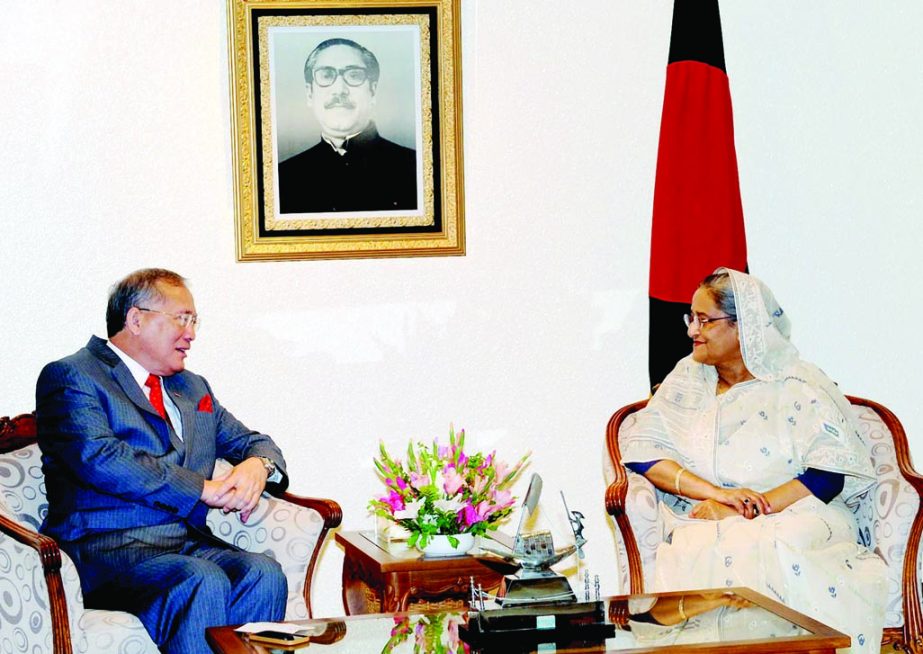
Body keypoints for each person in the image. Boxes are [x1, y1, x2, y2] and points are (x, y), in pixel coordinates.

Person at [620, 268, 887, 654]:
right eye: (690, 318)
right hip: (710, 510)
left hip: (798, 510)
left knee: (773, 541)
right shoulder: (687, 380)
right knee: (694, 543)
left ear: (743, 326)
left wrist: (746, 510)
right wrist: (719, 495)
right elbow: (645, 455)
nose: (692, 330)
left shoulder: (796, 383)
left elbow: (828, 477)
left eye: (704, 320)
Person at [36, 268, 289, 654]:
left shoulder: (192, 387)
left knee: (263, 573)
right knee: (200, 579)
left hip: (183, 546)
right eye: (181, 318)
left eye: (194, 320)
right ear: (136, 319)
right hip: (106, 551)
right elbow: (101, 457)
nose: (191, 333)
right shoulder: (73, 376)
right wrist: (201, 489)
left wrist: (259, 466)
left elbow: (254, 442)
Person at [277, 37, 417, 213]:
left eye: (353, 75)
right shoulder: (282, 178)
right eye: (326, 75)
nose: (339, 90)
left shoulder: (417, 169)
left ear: (372, 91)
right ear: (309, 94)